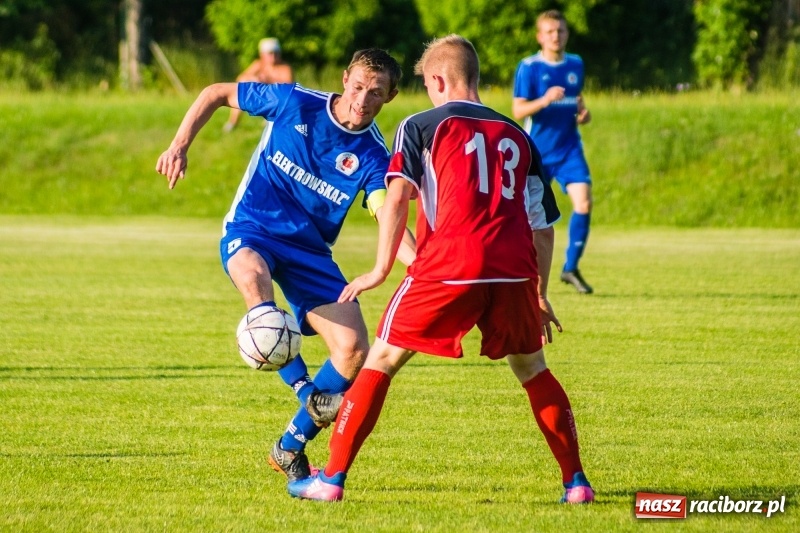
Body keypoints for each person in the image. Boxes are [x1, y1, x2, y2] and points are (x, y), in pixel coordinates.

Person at [287, 35, 594, 504]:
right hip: (513, 270)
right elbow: (544, 228)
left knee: (381, 362)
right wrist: (538, 291)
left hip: (449, 264)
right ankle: (576, 484)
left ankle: (329, 479)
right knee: (533, 368)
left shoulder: (422, 125)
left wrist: (378, 269)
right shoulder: (517, 134)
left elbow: (395, 199)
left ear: (437, 80)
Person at [155, 48, 416, 486]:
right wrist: (179, 144)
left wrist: (426, 265)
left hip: (310, 253)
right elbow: (216, 92)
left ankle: (288, 447)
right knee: (256, 290)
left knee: (353, 349)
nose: (363, 99)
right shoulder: (296, 101)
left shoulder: (374, 156)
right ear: (344, 78)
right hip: (252, 227)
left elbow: (386, 214)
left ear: (389, 97)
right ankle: (308, 393)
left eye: (376, 92)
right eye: (357, 87)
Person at [512, 10, 595, 294]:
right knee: (529, 219)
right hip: (537, 151)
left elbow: (577, 97)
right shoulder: (529, 67)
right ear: (540, 36)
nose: (555, 36)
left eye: (560, 31)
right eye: (549, 32)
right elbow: (518, 109)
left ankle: (570, 267)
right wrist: (544, 100)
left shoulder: (576, 64)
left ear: (567, 34)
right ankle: (522, 273)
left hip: (569, 148)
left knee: (583, 203)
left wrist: (583, 112)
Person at [222, 38, 294, 132]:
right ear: (262, 55)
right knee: (239, 93)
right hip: (261, 97)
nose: (273, 56)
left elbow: (289, 86)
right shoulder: (259, 64)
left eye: (276, 53)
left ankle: (270, 120)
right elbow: (241, 78)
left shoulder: (285, 67)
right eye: (270, 53)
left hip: (277, 99)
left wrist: (268, 80)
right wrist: (255, 79)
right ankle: (233, 122)